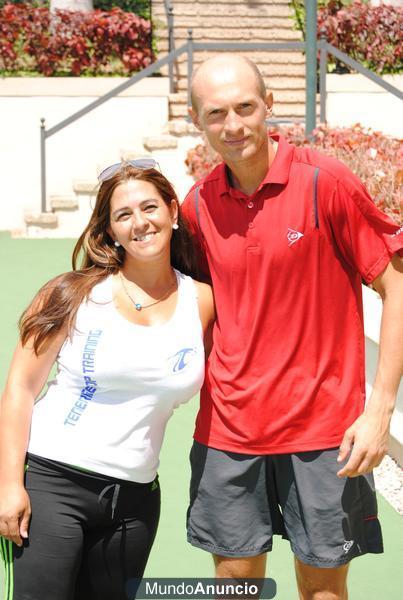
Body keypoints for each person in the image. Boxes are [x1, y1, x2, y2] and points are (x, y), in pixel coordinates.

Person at [182, 54, 403, 599]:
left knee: (321, 590)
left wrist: (379, 412)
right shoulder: (198, 204)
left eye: (245, 107)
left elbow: (395, 284)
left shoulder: (325, 183)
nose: (233, 126)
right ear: (197, 121)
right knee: (235, 587)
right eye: (216, 114)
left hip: (325, 432)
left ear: (269, 105)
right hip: (229, 431)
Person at [0, 160, 215, 600]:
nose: (140, 223)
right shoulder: (72, 294)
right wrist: (8, 485)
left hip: (135, 501)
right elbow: (20, 389)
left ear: (173, 212)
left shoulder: (203, 300)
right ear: (110, 230)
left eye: (150, 207)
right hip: (52, 482)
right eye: (123, 215)